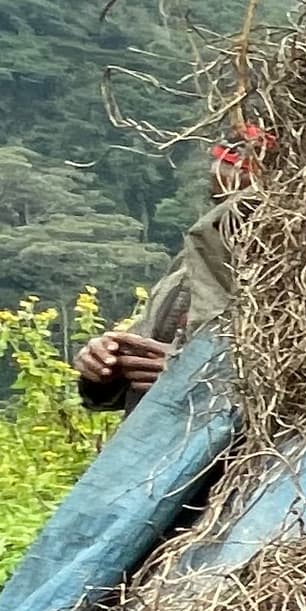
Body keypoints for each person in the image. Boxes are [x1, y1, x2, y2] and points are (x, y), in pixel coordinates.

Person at [71, 127, 261, 411]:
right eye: (218, 202)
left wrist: (195, 375)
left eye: (241, 204)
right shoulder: (188, 269)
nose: (219, 219)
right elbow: (145, 357)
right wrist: (105, 365)